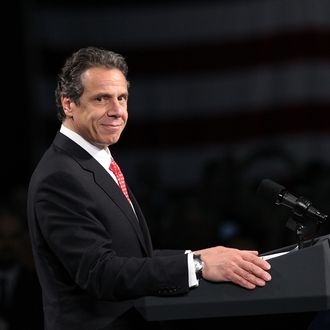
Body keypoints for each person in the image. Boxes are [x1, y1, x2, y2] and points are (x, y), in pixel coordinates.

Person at [27, 46, 272, 330]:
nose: (117, 111)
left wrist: (202, 257)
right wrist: (199, 265)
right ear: (68, 104)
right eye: (101, 99)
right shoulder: (60, 176)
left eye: (122, 98)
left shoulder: (95, 162)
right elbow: (100, 272)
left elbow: (132, 258)